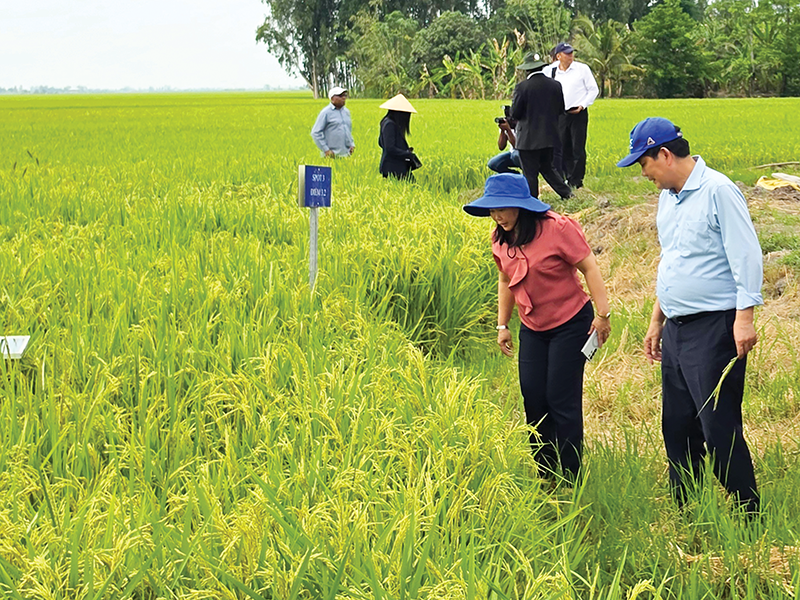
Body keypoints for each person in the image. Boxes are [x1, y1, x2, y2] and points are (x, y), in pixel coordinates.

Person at [617, 117, 762, 514]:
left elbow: (746, 255)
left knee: (717, 425)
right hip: (677, 328)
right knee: (678, 425)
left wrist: (744, 317)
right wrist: (656, 320)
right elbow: (673, 261)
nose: (643, 173)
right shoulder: (668, 197)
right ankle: (689, 508)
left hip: (715, 326)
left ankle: (748, 511)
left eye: (643, 163)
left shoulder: (718, 191)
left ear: (664, 154)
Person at [463, 172, 611, 481]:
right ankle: (545, 472)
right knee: (533, 395)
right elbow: (506, 280)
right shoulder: (500, 237)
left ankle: (571, 476)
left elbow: (589, 267)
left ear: (521, 206)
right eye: (492, 209)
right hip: (533, 326)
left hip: (571, 322)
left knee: (560, 397)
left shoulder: (557, 229)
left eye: (502, 208)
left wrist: (603, 314)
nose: (497, 216)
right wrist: (502, 325)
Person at [510, 52, 572, 201]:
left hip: (528, 139)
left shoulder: (522, 87)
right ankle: (567, 193)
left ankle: (532, 201)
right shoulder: (555, 85)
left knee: (530, 173)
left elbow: (515, 113)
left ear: (526, 70)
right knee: (547, 168)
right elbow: (560, 110)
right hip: (550, 136)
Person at [546, 43, 599, 189]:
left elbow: (593, 90)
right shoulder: (551, 71)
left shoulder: (582, 69)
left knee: (578, 147)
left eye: (571, 53)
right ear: (558, 56)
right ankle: (566, 178)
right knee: (562, 147)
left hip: (578, 113)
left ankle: (577, 180)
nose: (570, 56)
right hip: (561, 114)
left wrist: (582, 105)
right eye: (567, 53)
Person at [378, 94, 419, 180]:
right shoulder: (390, 124)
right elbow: (390, 148)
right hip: (393, 168)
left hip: (393, 166)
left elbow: (381, 143)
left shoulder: (386, 122)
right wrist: (407, 154)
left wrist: (403, 149)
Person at [310, 86, 355, 158]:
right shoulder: (326, 113)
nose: (343, 98)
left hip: (346, 155)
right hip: (331, 155)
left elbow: (348, 130)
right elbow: (315, 132)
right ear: (332, 98)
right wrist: (326, 150)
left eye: (344, 95)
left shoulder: (346, 112)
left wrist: (352, 144)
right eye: (340, 96)